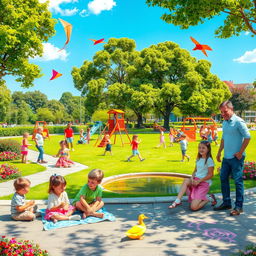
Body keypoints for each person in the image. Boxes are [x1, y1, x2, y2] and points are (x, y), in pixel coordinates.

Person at [214, 101, 251, 216]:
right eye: (221, 112)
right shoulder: (225, 122)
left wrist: (240, 152)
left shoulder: (238, 122)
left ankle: (239, 207)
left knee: (238, 181)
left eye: (225, 111)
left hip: (236, 158)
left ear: (231, 109)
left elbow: (248, 137)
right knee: (223, 178)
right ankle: (227, 203)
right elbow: (224, 139)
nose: (223, 114)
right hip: (226, 157)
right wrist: (219, 152)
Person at [169, 141, 217, 211]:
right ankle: (178, 200)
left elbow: (211, 175)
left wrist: (199, 181)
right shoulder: (198, 159)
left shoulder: (209, 160)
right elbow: (195, 171)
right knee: (186, 180)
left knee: (193, 207)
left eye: (203, 148)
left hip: (203, 183)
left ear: (208, 149)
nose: (201, 149)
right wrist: (192, 178)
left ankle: (208, 198)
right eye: (199, 148)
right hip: (195, 181)